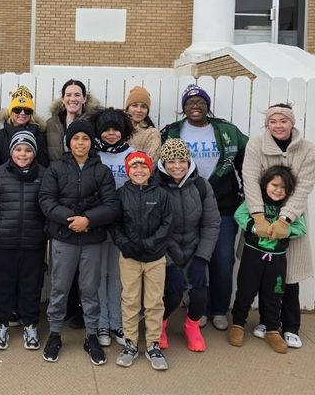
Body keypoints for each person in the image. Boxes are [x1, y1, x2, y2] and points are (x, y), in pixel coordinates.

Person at [160, 84, 248, 331]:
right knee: (191, 258)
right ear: (183, 108)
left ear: (208, 106)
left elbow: (247, 162)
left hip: (223, 205)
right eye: (189, 103)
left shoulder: (227, 131)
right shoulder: (173, 132)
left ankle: (219, 309)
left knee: (221, 258)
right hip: (185, 206)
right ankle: (199, 310)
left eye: (200, 102)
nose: (195, 106)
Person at [38, 119, 119, 366]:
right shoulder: (57, 169)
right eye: (76, 138)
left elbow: (112, 205)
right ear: (69, 141)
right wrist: (70, 219)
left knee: (89, 289)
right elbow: (46, 199)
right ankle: (54, 334)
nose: (80, 143)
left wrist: (89, 220)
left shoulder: (101, 170)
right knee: (60, 287)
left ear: (91, 141)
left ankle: (91, 336)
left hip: (92, 239)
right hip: (64, 237)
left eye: (85, 138)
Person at [241, 103, 315, 349]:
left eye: (283, 121)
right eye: (273, 121)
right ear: (267, 124)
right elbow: (250, 180)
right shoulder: (256, 146)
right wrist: (258, 217)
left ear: (292, 123)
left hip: (292, 218)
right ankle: (267, 321)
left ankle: (291, 326)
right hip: (261, 218)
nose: (278, 126)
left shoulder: (308, 150)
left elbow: (304, 187)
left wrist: (285, 219)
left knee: (289, 275)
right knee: (266, 274)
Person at [229, 166, 306, 354]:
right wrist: (254, 228)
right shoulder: (256, 201)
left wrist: (286, 231)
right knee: (246, 290)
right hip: (253, 254)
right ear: (266, 185)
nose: (278, 190)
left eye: (283, 187)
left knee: (274, 294)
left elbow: (301, 228)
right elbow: (239, 215)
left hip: (277, 259)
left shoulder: (290, 207)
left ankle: (272, 329)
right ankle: (238, 324)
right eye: (274, 185)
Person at [0, 130, 47, 351]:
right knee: (3, 284)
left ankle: (30, 324)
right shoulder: (0, 174)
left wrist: (43, 232)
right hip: (5, 242)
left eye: (28, 150)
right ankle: (1, 325)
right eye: (18, 149)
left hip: (33, 242)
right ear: (11, 152)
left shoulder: (44, 174)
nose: (23, 154)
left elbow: (49, 206)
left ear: (34, 153)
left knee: (31, 285)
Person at [155, 138, 220, 353]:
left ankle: (191, 326)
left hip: (194, 248)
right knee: (172, 294)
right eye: (171, 161)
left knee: (200, 293)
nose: (176, 166)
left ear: (189, 161)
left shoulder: (201, 185)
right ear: (163, 163)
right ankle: (160, 326)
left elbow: (211, 223)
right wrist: (169, 263)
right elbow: (151, 229)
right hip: (166, 250)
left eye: (181, 160)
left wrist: (202, 258)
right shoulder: (155, 186)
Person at [111, 151, 172, 371]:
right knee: (130, 299)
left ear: (150, 169)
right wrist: (125, 243)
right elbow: (115, 224)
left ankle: (153, 344)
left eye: (143, 167)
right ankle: (130, 343)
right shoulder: (120, 194)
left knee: (154, 301)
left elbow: (167, 222)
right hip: (129, 257)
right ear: (128, 170)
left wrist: (150, 243)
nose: (139, 171)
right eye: (134, 167)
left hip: (155, 257)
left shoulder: (162, 194)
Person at [90, 108, 133, 347]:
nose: (111, 133)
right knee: (99, 274)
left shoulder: (133, 155)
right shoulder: (93, 154)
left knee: (118, 276)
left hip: (123, 225)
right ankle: (101, 322)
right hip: (98, 223)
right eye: (106, 129)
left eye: (116, 129)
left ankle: (117, 321)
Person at [0, 86, 49, 171]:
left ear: (31, 114)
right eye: (17, 109)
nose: (22, 113)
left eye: (27, 110)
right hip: (4, 183)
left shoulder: (39, 136)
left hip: (32, 182)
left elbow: (43, 164)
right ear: (11, 112)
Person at [45, 79, 101, 163]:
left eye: (77, 95)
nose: (72, 99)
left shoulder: (94, 122)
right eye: (68, 95)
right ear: (63, 99)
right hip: (56, 174)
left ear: (84, 99)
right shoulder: (50, 124)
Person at [124, 86, 161, 163]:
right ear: (127, 108)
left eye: (143, 107)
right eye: (134, 105)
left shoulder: (152, 133)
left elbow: (150, 163)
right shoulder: (117, 130)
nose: (139, 110)